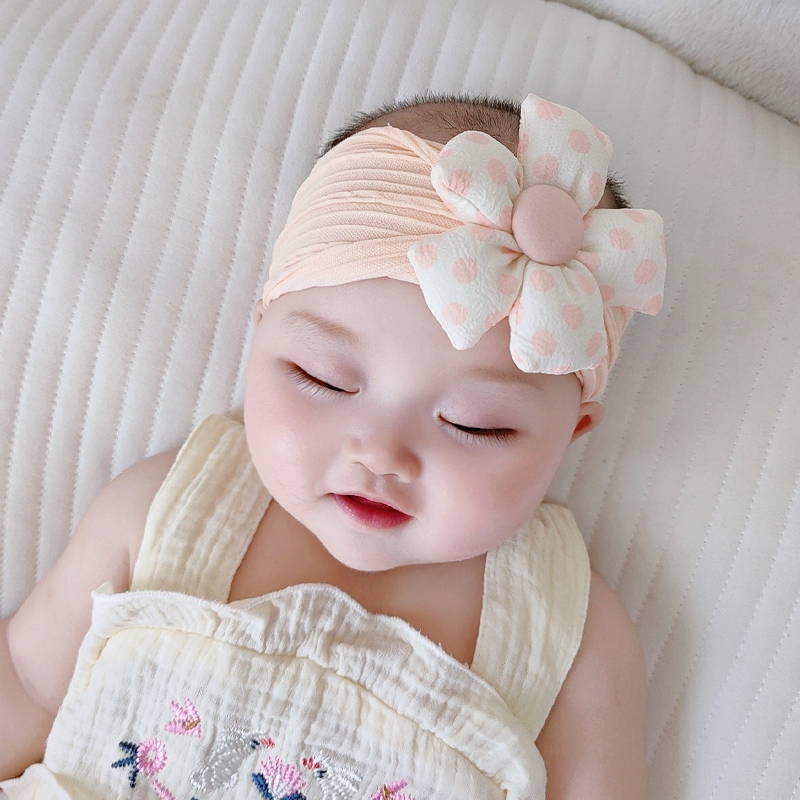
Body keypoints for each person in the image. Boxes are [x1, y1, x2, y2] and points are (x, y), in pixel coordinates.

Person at [0, 93, 666, 800]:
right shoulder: (170, 508)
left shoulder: (574, 638)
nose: (380, 453)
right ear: (260, 332)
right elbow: (27, 683)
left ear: (572, 435)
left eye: (474, 424)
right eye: (321, 379)